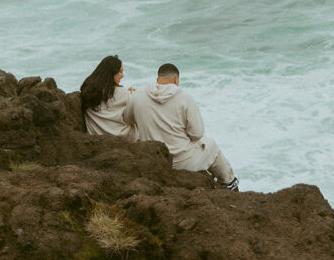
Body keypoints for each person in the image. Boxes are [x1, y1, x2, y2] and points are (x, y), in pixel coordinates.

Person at [123, 62, 238, 190]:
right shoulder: (185, 98)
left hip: (153, 159)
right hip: (180, 162)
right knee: (211, 145)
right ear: (176, 80)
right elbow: (197, 134)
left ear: (157, 79)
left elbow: (126, 119)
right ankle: (229, 182)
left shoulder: (138, 95)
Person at [80, 54, 138, 141]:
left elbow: (111, 101)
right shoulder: (121, 93)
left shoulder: (88, 89)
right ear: (111, 73)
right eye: (120, 72)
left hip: (96, 135)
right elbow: (135, 104)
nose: (122, 75)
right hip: (121, 137)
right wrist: (132, 93)